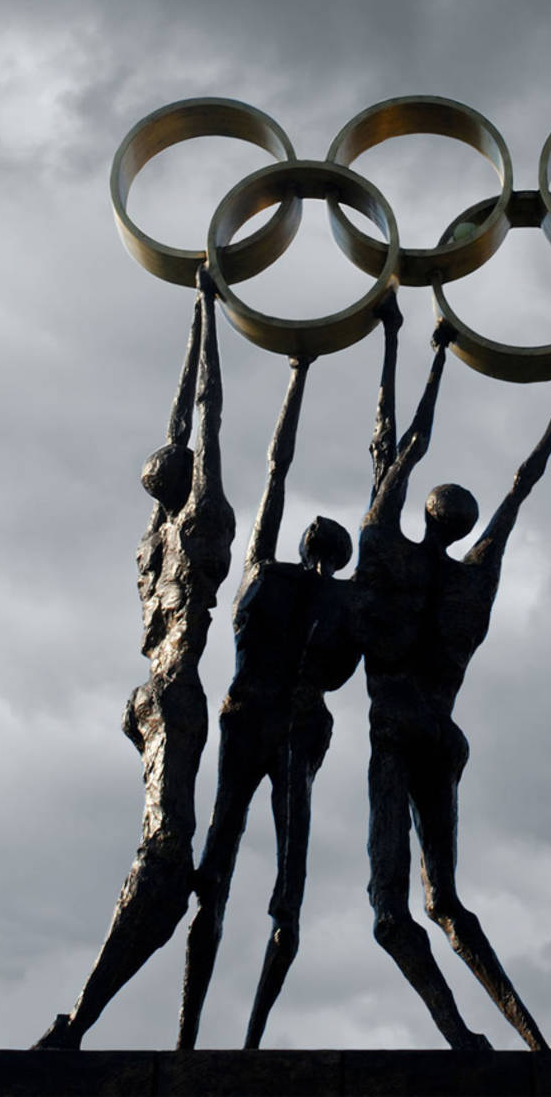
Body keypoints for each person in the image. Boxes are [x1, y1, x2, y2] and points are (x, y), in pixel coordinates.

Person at [353, 291, 551, 1052]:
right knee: (444, 898)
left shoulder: (385, 556)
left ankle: (461, 1033)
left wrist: (429, 351)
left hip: (396, 729)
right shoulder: (472, 581)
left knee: (394, 912)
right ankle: (527, 1033)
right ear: (461, 525)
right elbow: (524, 482)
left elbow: (400, 448)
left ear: (424, 513)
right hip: (441, 735)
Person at [35, 267, 236, 1049]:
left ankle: (83, 1019)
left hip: (144, 692)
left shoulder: (151, 538)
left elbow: (183, 415)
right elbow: (205, 413)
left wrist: (199, 311)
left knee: (166, 864)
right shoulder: (191, 529)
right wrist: (209, 314)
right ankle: (77, 1022)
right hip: (174, 688)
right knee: (164, 863)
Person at [177, 352, 359, 1049]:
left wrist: (299, 373)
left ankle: (217, 1038)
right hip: (274, 720)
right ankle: (218, 1036)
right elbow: (276, 472)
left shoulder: (278, 577)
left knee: (251, 871)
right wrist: (298, 374)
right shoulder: (323, 591)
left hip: (268, 720)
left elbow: (276, 472)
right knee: (254, 872)